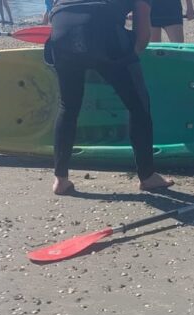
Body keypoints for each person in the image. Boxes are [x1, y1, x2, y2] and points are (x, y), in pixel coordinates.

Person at [45, 0, 174, 195]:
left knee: (68, 106)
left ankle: (60, 179)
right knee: (138, 105)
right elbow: (143, 36)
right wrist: (126, 61)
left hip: (61, 33)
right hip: (103, 31)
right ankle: (147, 177)